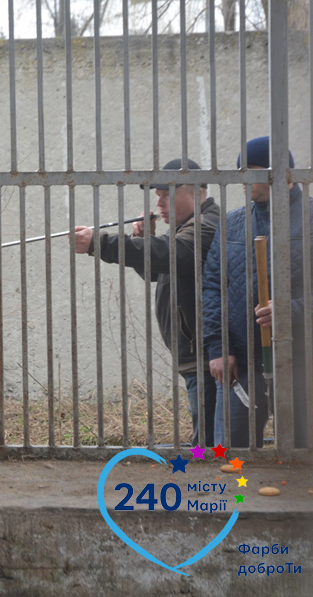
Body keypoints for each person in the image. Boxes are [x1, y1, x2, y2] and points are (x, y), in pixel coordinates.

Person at [74, 158, 220, 447]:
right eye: (158, 196)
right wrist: (148, 238)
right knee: (207, 436)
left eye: (167, 194)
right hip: (195, 353)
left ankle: (213, 488)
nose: (160, 202)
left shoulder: (207, 225)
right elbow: (158, 270)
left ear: (197, 192)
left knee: (211, 443)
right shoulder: (188, 226)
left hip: (208, 355)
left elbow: (171, 254)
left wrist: (99, 243)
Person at [202, 136, 311, 449]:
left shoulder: (310, 218)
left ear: (280, 173)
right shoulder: (233, 224)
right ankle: (240, 500)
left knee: (302, 454)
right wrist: (218, 347)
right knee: (232, 454)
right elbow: (213, 287)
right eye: (240, 172)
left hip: (302, 363)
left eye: (250, 171)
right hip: (243, 364)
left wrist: (291, 309)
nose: (243, 179)